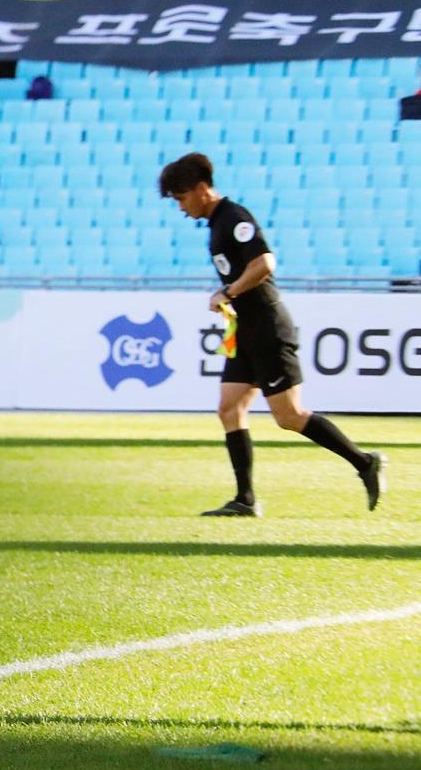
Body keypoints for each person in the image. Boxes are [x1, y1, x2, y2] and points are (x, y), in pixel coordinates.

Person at [158, 152, 386, 518]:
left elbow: (264, 263)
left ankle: (364, 462)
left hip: (266, 329)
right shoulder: (216, 224)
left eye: (181, 198)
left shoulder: (234, 218)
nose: (181, 208)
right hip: (245, 331)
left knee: (289, 416)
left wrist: (228, 292)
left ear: (200, 189)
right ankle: (245, 499)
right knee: (229, 408)